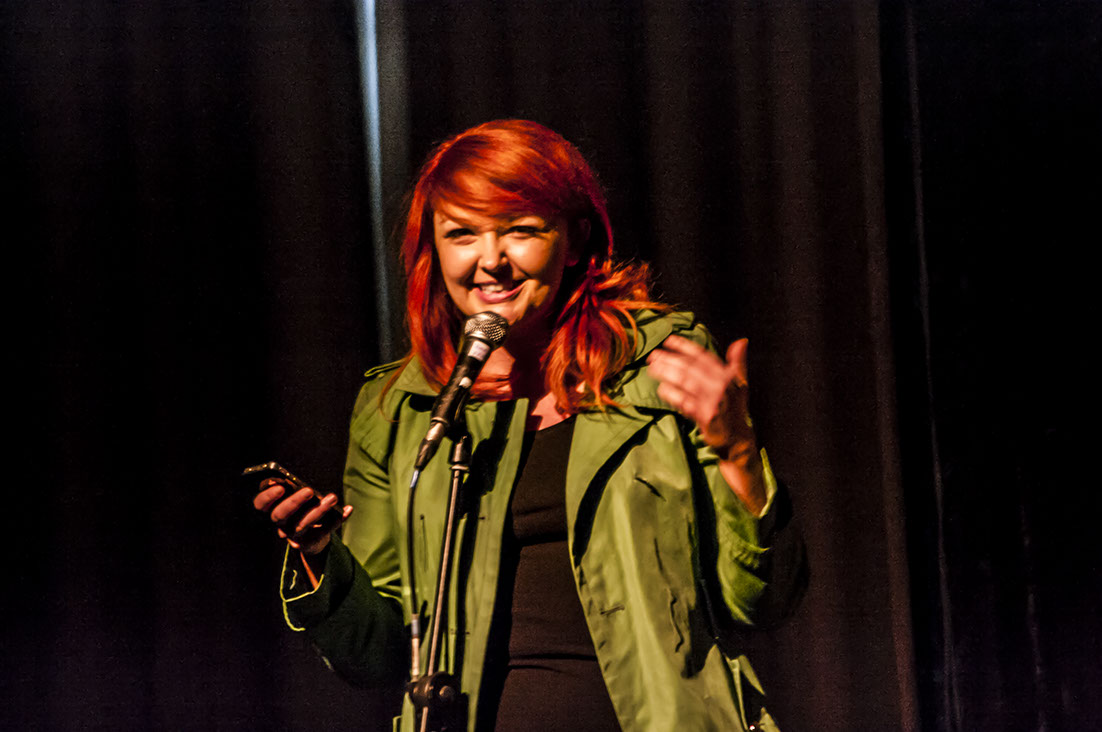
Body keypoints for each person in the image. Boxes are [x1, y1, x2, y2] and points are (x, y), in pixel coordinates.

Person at [254, 119, 806, 732]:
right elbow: (377, 656)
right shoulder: (401, 408)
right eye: (462, 234)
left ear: (574, 239)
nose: (491, 261)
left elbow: (762, 602)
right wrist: (320, 556)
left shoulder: (660, 366)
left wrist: (737, 450)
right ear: (433, 251)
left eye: (519, 230)